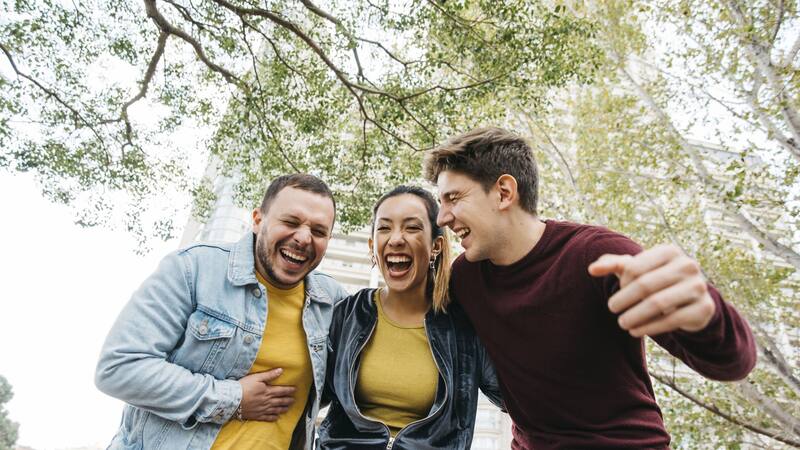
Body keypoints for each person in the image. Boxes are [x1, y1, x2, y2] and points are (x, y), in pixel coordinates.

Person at [423, 127, 757, 449]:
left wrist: (708, 316)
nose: (443, 217)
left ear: (504, 192)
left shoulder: (599, 256)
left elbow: (733, 363)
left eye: (453, 198)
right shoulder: (465, 278)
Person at [95, 174, 349, 450]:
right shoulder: (193, 268)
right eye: (290, 222)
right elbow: (118, 368)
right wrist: (234, 398)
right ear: (257, 220)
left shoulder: (332, 302)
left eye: (319, 231)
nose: (303, 238)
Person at [317, 185, 503, 449]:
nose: (395, 239)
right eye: (384, 228)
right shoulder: (347, 314)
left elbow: (520, 400)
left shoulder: (464, 329)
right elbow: (307, 391)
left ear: (436, 246)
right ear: (373, 246)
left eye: (412, 228)